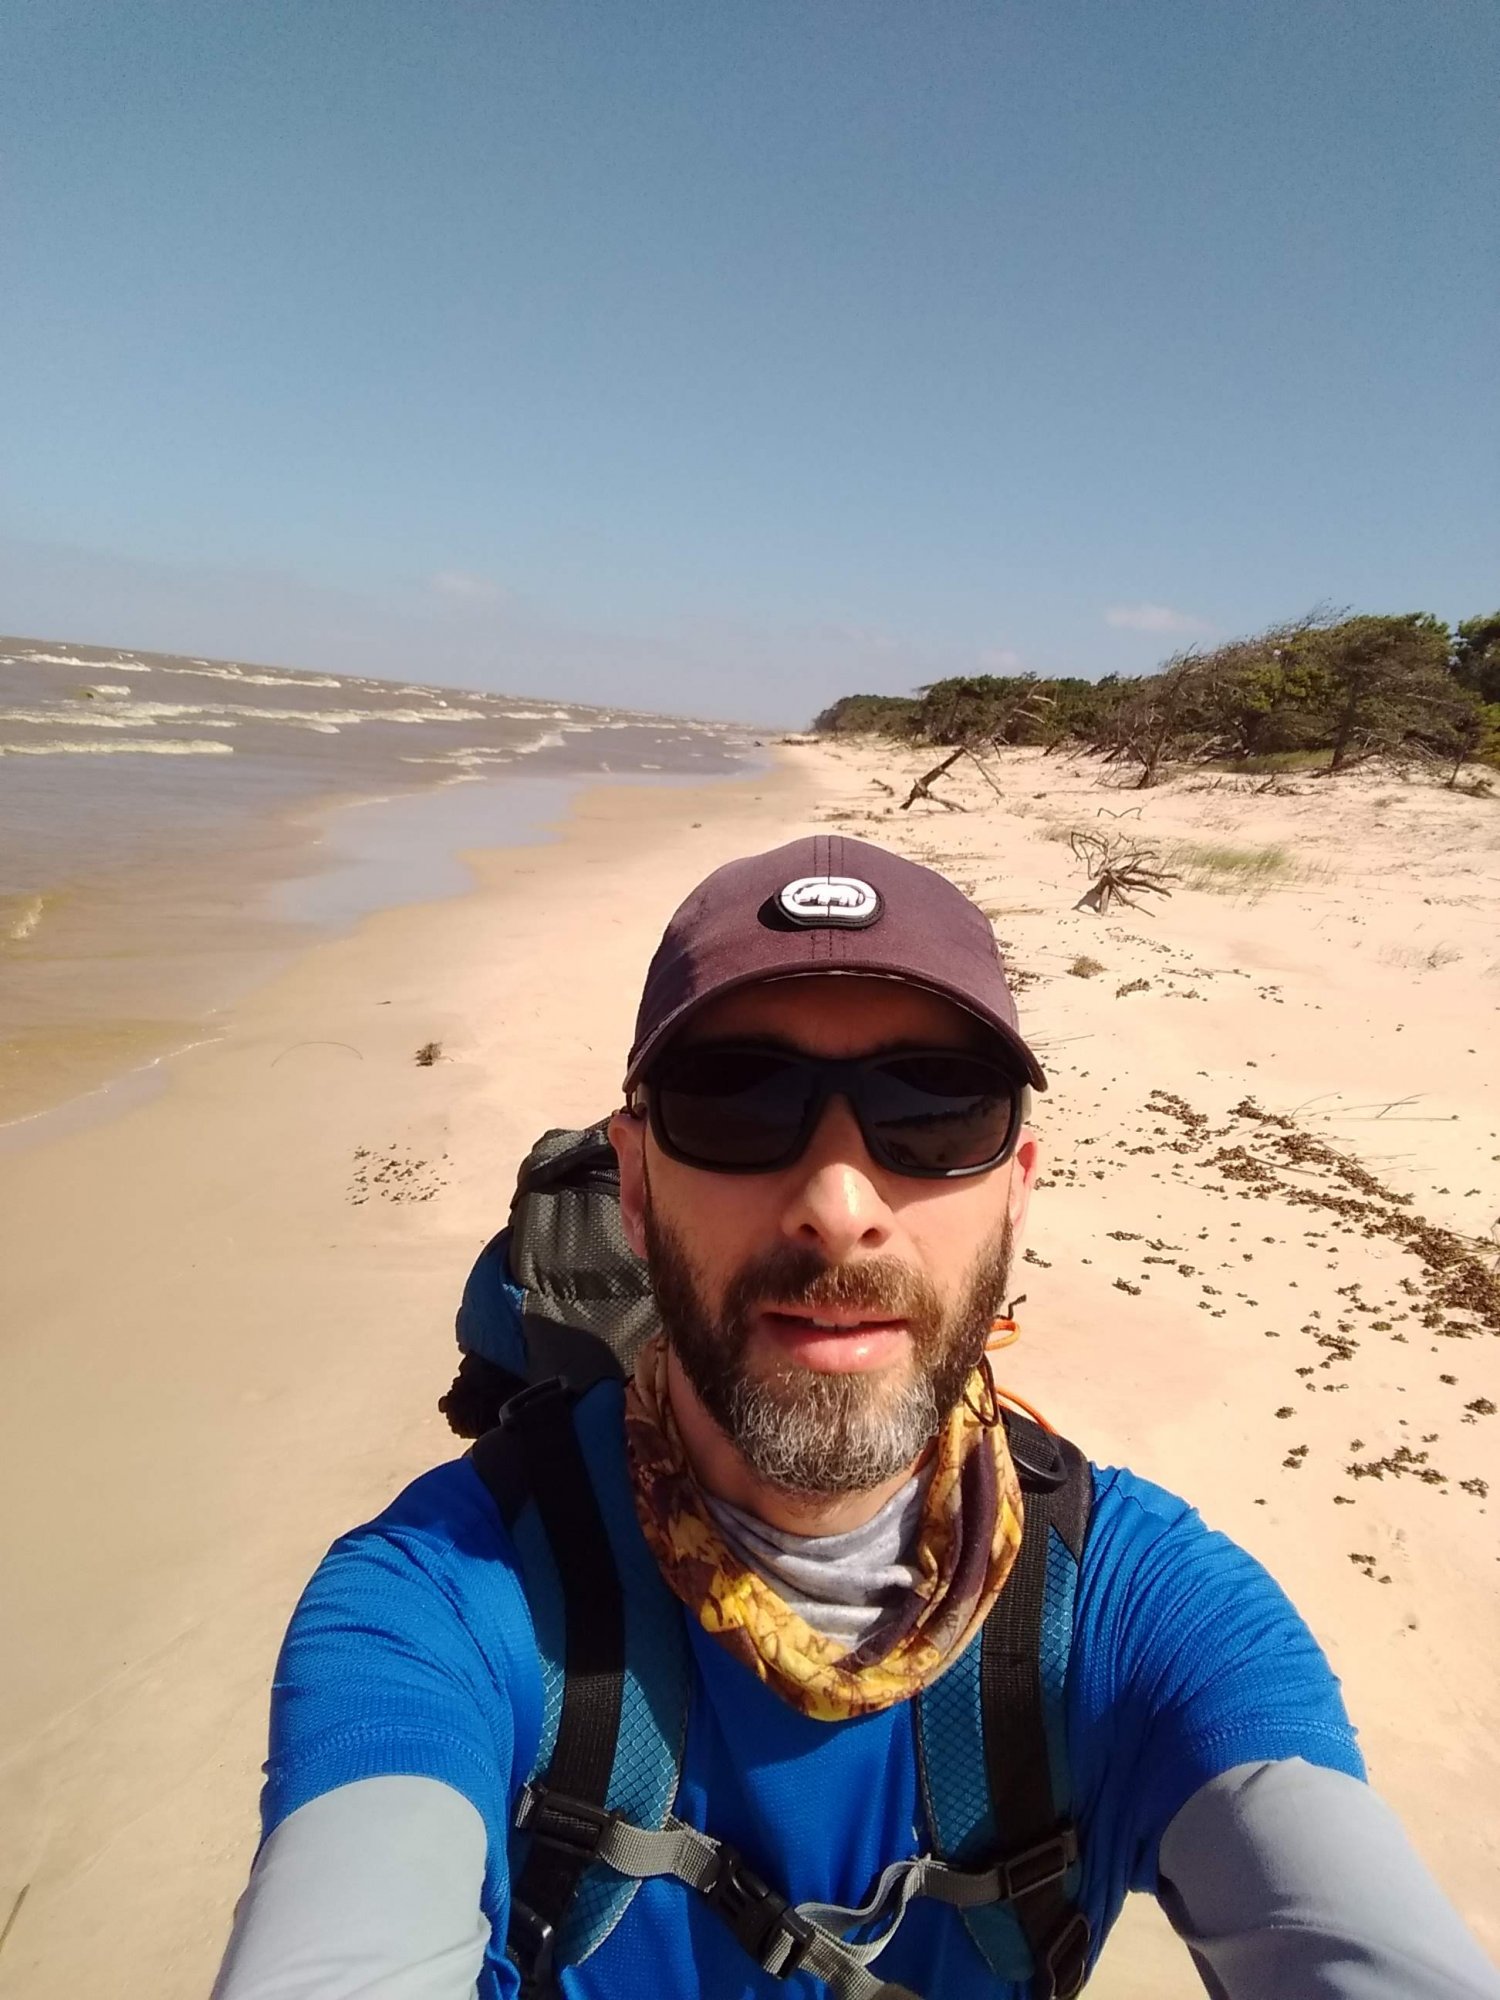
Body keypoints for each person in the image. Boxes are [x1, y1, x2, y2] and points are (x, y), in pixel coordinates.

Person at [214, 836, 1499, 2000]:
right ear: (637, 1186)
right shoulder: (438, 1602)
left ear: (1017, 1192)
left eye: (935, 1110)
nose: (839, 1203)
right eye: (736, 1098)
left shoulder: (1149, 1615)